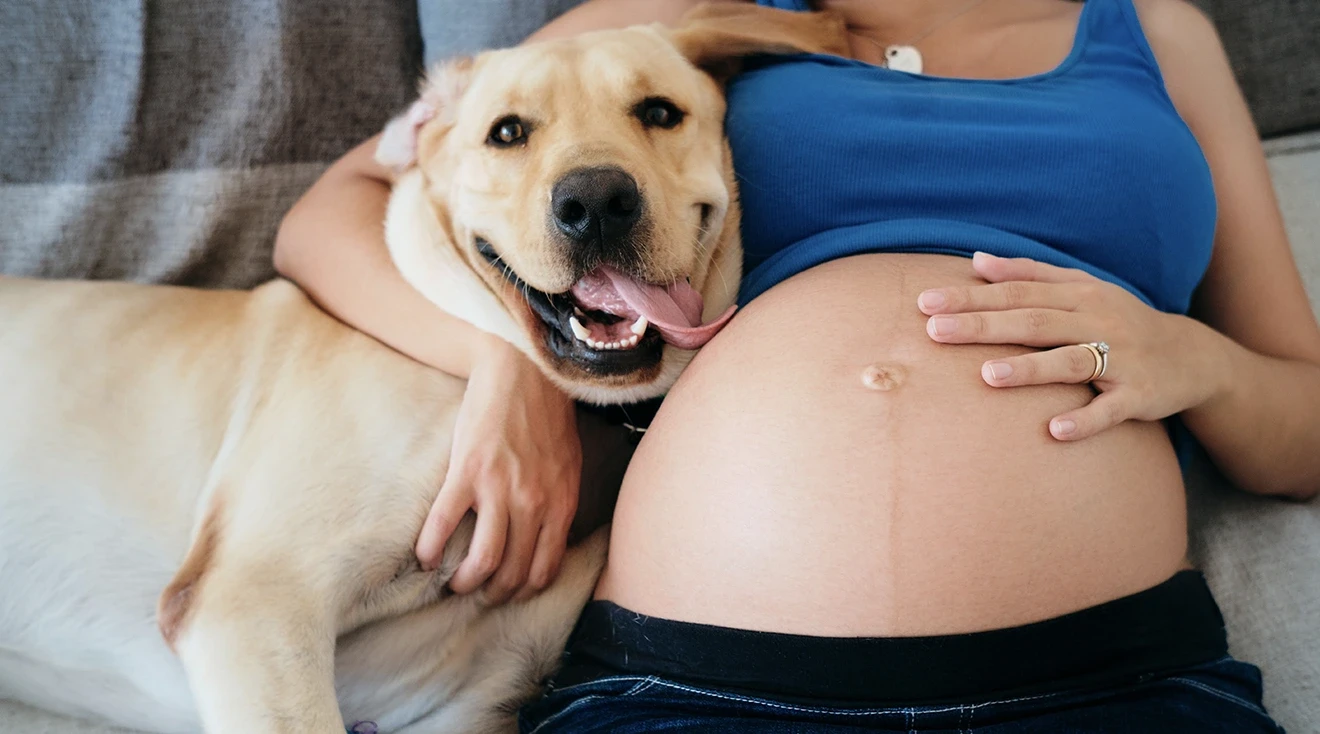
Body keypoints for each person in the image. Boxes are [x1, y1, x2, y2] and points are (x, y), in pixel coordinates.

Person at [275, 0, 1320, 729]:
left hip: (1105, 677)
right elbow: (336, 211)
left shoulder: (1159, 36)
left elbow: (1305, 426)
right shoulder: (687, 20)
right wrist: (506, 361)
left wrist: (1195, 359)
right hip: (695, 686)